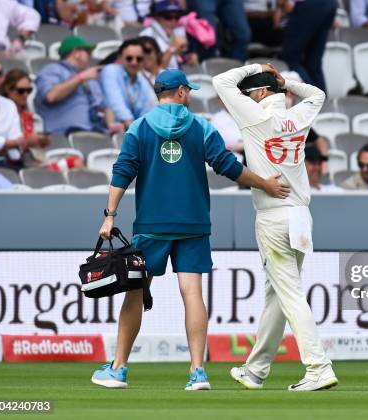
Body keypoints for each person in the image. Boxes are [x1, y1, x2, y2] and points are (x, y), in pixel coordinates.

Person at [92, 69, 289, 390]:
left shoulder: (139, 128)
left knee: (135, 293)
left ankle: (118, 368)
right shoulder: (201, 127)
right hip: (194, 222)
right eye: (189, 90)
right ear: (181, 92)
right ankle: (198, 372)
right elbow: (228, 166)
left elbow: (122, 171)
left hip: (152, 225)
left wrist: (109, 215)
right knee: (193, 294)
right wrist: (265, 183)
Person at [213, 63, 338, 391]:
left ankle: (318, 367)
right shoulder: (298, 116)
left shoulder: (255, 116)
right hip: (299, 215)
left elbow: (219, 80)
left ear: (264, 92)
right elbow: (318, 93)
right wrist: (287, 82)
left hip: (273, 216)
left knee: (290, 293)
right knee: (277, 295)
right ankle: (256, 370)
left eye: (252, 92)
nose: (249, 98)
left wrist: (258, 68)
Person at [35, 36, 120, 136]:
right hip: (65, 134)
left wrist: (111, 124)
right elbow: (51, 96)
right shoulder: (52, 70)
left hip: (97, 131)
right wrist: (81, 78)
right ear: (76, 53)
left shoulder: (90, 76)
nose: (90, 56)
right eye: (88, 52)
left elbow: (105, 105)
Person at [0, 58, 45, 168]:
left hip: (8, 162)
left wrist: (11, 143)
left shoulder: (9, 105)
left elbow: (16, 136)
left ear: (2, 78)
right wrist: (10, 143)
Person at [281, 0, 337, 93]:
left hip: (307, 5)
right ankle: (324, 103)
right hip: (329, 4)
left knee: (291, 59)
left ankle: (314, 98)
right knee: (313, 63)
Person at [100, 39, 155, 129]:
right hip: (108, 127)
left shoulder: (142, 81)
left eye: (139, 59)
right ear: (120, 58)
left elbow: (146, 111)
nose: (134, 62)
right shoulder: (111, 70)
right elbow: (115, 102)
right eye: (129, 58)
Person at [140, 1, 198, 68]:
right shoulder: (146, 36)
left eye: (177, 17)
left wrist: (187, 58)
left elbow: (174, 62)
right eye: (168, 17)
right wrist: (172, 48)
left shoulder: (175, 33)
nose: (173, 21)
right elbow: (154, 69)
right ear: (156, 17)